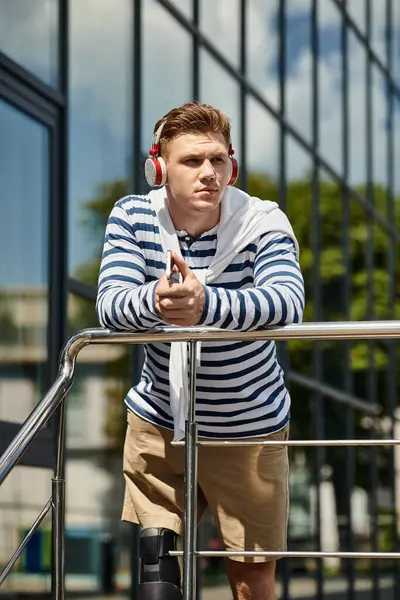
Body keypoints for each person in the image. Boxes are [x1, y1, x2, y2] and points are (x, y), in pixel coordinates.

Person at [96, 103, 305, 600]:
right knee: (156, 566)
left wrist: (205, 303)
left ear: (233, 166)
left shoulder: (263, 221)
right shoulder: (132, 216)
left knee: (251, 580)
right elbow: (109, 306)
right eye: (192, 161)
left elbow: (287, 303)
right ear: (159, 168)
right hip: (159, 420)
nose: (209, 173)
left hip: (248, 429)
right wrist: (158, 300)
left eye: (219, 160)